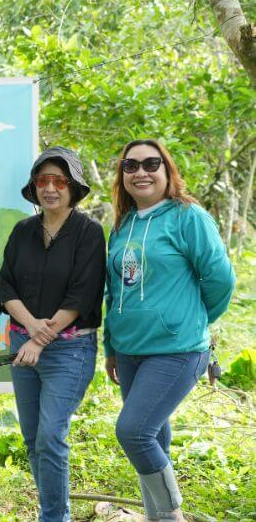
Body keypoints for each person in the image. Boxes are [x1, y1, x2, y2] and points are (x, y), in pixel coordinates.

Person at [104, 139, 235, 522]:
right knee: (155, 435)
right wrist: (111, 347)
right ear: (122, 175)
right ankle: (156, 517)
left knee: (134, 432)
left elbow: (220, 279)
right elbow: (115, 291)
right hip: (129, 351)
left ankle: (170, 515)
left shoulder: (187, 217)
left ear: (167, 171)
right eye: (131, 165)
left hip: (176, 350)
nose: (141, 172)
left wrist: (192, 322)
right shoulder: (123, 224)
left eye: (150, 164)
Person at [0, 147, 106, 522]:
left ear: (73, 188)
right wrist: (29, 327)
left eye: (59, 181)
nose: (50, 188)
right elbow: (6, 286)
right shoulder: (23, 230)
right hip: (21, 345)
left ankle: (54, 517)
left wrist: (40, 339)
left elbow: (83, 293)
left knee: (50, 438)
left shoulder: (89, 232)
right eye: (43, 180)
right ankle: (53, 510)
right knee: (32, 440)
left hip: (70, 350)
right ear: (34, 187)